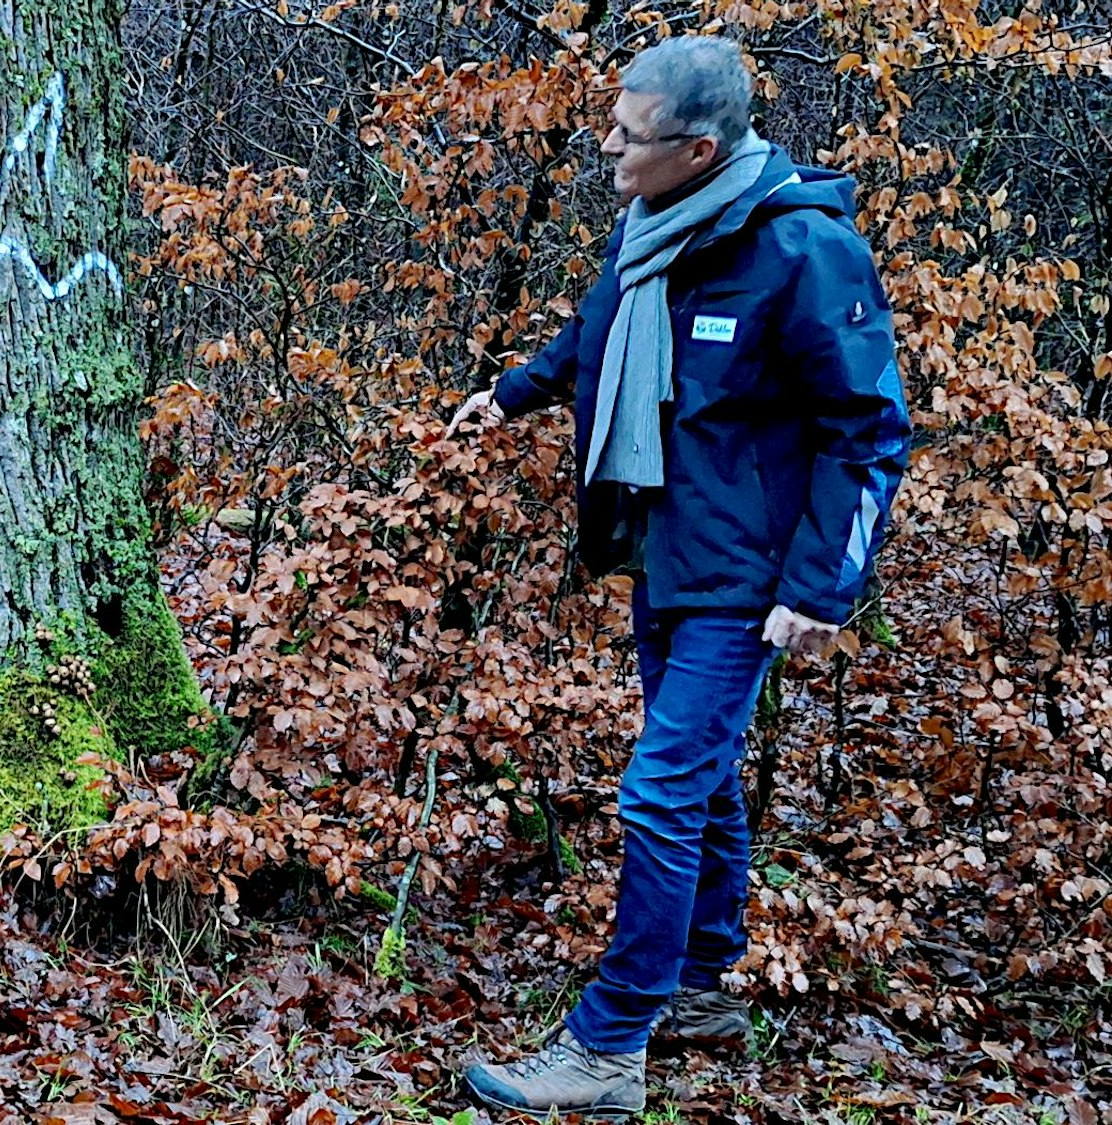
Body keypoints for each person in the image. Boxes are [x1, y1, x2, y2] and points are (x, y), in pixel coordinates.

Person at [450, 36, 910, 1117]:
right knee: (692, 777)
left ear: (699, 149)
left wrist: (817, 588)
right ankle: (701, 984)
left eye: (629, 132)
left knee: (657, 792)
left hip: (745, 576)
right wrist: (511, 395)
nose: (606, 143)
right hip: (663, 546)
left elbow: (868, 431)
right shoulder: (653, 227)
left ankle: (607, 1046)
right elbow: (596, 331)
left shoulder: (799, 250)